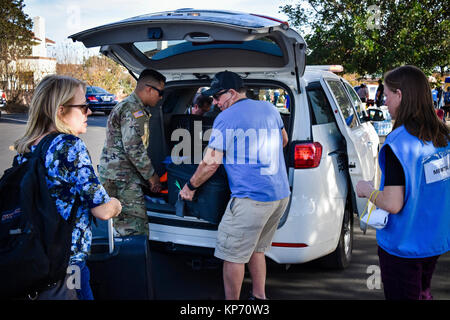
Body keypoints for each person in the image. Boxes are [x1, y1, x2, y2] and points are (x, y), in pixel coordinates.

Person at [178, 71, 290, 300]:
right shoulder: (269, 108)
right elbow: (284, 140)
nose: (215, 103)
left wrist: (190, 186)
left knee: (233, 256)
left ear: (231, 93)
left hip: (251, 199)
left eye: (217, 97)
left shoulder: (226, 118)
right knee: (256, 250)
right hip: (279, 195)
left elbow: (210, 163)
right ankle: (259, 297)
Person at [13, 75, 122, 300]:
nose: (89, 112)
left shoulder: (26, 148)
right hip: (67, 263)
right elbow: (101, 210)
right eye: (83, 107)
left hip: (33, 258)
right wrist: (116, 204)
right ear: (61, 110)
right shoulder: (69, 146)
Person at [356, 65, 449, 300]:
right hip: (434, 240)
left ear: (400, 95)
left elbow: (393, 204)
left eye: (387, 95)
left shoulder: (399, 143)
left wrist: (368, 190)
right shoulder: (443, 137)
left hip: (404, 244)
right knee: (423, 292)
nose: (385, 102)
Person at [99, 69, 166, 237]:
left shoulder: (128, 105)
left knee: (116, 225)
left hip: (114, 174)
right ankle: (132, 262)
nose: (161, 97)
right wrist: (152, 177)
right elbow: (134, 148)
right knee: (135, 229)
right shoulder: (134, 110)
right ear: (149, 89)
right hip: (123, 179)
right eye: (160, 92)